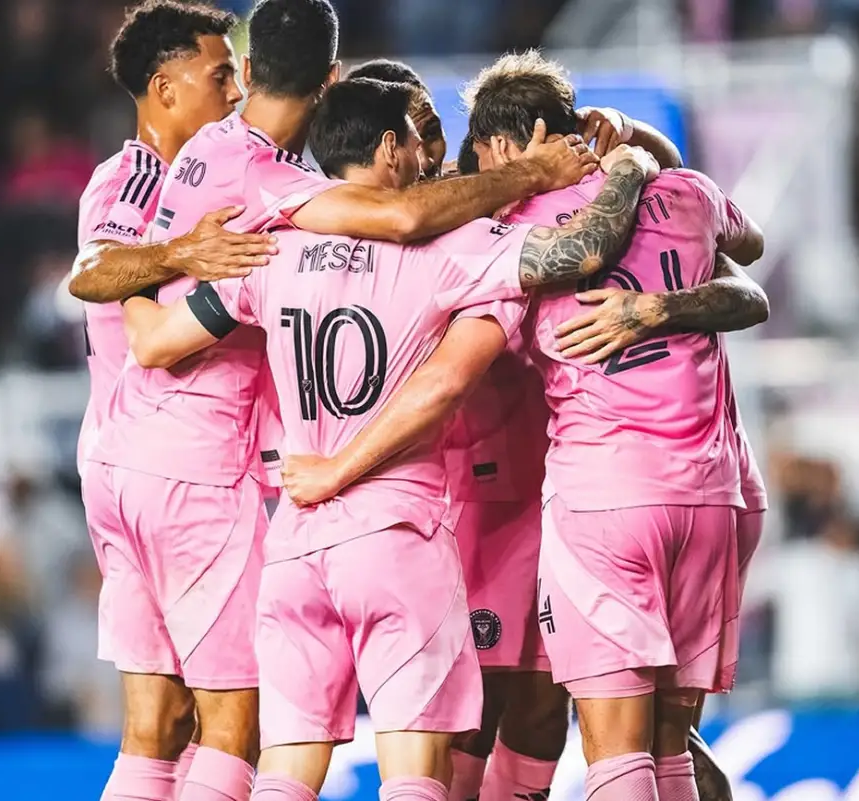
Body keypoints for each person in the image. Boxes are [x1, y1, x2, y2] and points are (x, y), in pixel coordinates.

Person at [87, 2, 596, 800]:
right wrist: (572, 167)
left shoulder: (260, 240)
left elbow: (142, 327)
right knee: (398, 768)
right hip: (373, 522)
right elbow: (474, 258)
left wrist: (171, 264)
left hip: (271, 529)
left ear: (254, 72)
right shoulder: (429, 242)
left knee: (232, 754)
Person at [282, 52, 767, 801]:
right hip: (492, 499)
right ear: (384, 145)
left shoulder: (496, 215)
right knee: (491, 715)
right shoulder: (460, 219)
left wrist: (625, 151)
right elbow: (717, 260)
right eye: (419, 131)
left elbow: (733, 273)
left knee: (572, 717)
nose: (435, 148)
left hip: (580, 494)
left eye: (443, 132)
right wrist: (626, 165)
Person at [70, 4, 275, 801]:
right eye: (219, 74)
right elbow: (92, 271)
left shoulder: (175, 177)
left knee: (159, 723)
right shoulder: (142, 176)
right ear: (163, 88)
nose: (234, 92)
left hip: (119, 467)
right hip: (180, 469)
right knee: (235, 721)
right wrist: (187, 251)